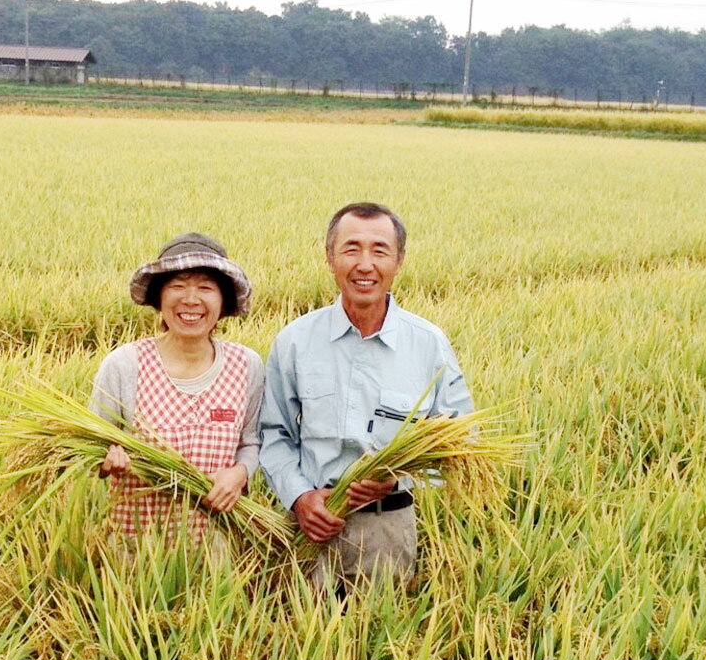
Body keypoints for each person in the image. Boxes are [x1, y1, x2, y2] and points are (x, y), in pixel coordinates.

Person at [259, 202, 473, 590]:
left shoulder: (428, 345)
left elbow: (461, 445)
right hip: (308, 528)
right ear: (330, 257)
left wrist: (398, 479)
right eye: (351, 248)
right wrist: (301, 498)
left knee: (375, 639)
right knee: (295, 637)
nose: (365, 264)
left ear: (399, 260)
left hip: (386, 531)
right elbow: (273, 434)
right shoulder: (295, 341)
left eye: (379, 250)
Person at [90, 233, 264, 541]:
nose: (191, 300)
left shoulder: (247, 365)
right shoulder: (124, 365)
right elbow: (92, 449)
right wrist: (107, 460)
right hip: (133, 549)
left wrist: (240, 474)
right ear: (159, 298)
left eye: (206, 288)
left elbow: (251, 443)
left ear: (224, 302)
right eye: (178, 286)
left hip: (216, 546)